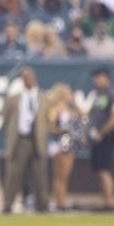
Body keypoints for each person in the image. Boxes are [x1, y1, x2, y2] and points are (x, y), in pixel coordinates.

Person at [2, 68, 49, 213]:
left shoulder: (43, 98)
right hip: (20, 139)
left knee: (40, 176)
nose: (27, 79)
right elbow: (5, 119)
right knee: (13, 175)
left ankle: (42, 206)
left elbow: (48, 119)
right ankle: (7, 205)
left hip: (37, 140)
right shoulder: (14, 99)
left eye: (29, 76)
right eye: (24, 77)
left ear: (34, 78)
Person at [88, 68, 114, 211]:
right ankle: (105, 202)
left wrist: (102, 133)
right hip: (96, 137)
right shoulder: (97, 95)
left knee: (104, 169)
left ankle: (109, 203)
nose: (97, 80)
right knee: (99, 170)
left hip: (107, 137)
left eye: (99, 77)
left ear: (106, 77)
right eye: (95, 77)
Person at [44, 83, 80, 212]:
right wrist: (63, 130)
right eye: (68, 92)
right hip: (60, 142)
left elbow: (83, 116)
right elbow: (51, 126)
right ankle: (59, 202)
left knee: (64, 176)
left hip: (69, 141)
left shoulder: (71, 108)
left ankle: (61, 201)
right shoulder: (55, 108)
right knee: (61, 175)